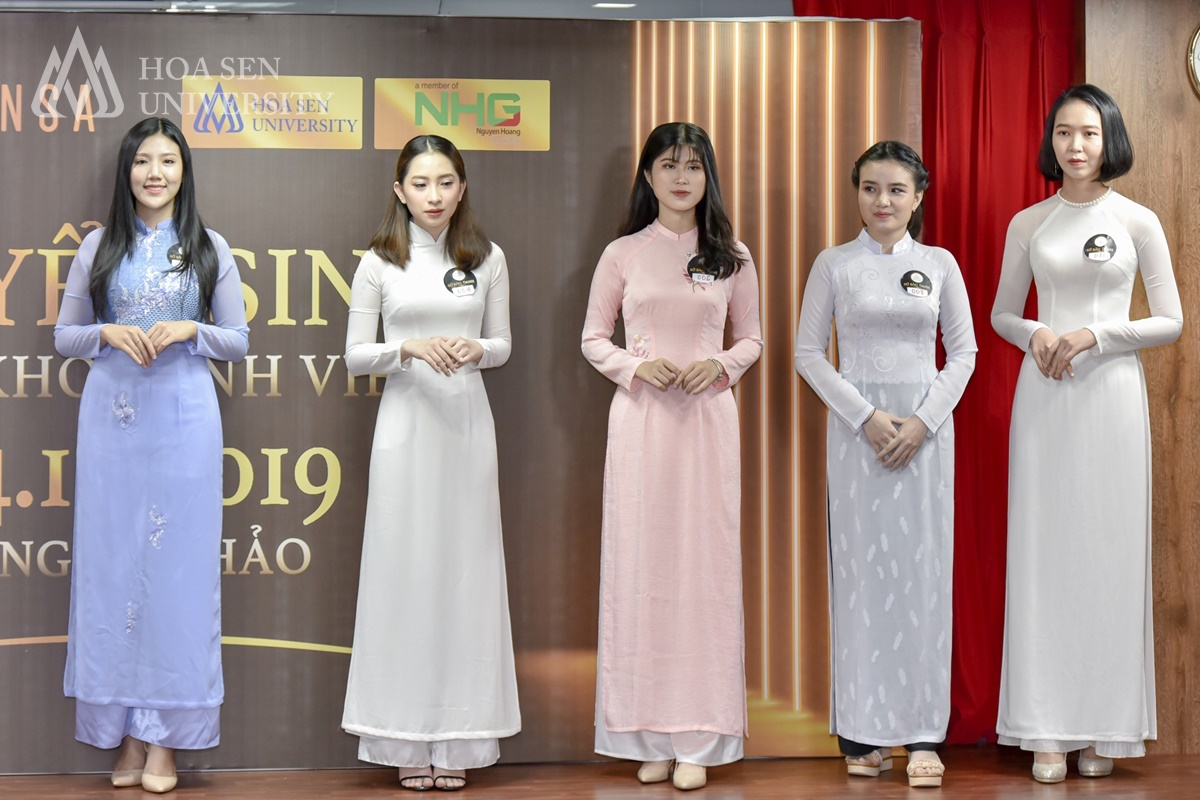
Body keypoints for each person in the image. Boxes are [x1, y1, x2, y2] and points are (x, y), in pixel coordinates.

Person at [992, 84, 1182, 784]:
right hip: (1045, 398)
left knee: (1109, 554)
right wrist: (1039, 332)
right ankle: (1047, 728)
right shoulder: (1029, 222)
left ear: (1111, 141)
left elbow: (1170, 320)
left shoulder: (1137, 220)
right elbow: (1001, 313)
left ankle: (1106, 727)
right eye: (1065, 132)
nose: (1076, 145)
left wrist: (1095, 335)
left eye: (1090, 133)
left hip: (1112, 398)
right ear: (1051, 141)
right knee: (1044, 555)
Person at [54, 117, 249, 794]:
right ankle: (127, 737)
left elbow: (238, 339)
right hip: (112, 420)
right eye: (143, 161)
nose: (155, 173)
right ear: (127, 171)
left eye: (168, 161)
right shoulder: (99, 246)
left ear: (184, 171)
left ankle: (164, 740)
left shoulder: (209, 246)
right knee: (112, 574)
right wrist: (106, 332)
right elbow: (64, 336)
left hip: (184, 418)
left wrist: (192, 329)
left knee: (178, 578)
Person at [581, 121, 762, 792]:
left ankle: (698, 738)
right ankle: (647, 736)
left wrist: (720, 366)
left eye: (693, 166)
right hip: (642, 423)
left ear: (708, 175)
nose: (681, 177)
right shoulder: (623, 253)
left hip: (708, 422)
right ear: (648, 176)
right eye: (668, 165)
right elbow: (593, 338)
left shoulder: (732, 254)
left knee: (703, 573)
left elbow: (753, 339)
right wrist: (636, 367)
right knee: (639, 569)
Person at [794, 141, 976, 789]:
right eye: (870, 188)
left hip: (927, 437)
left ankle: (923, 736)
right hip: (857, 438)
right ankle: (863, 736)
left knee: (924, 578)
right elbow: (808, 353)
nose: (882, 201)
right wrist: (866, 416)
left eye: (897, 189)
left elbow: (963, 353)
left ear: (918, 196)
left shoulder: (940, 264)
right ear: (857, 193)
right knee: (861, 581)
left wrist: (923, 421)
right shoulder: (834, 265)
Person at [341, 134, 519, 792]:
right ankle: (404, 738)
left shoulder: (488, 257)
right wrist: (409, 349)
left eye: (445, 182)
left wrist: (474, 350)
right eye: (420, 183)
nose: (434, 195)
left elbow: (502, 344)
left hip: (467, 427)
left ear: (462, 187)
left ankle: (459, 740)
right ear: (400, 191)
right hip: (405, 426)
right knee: (404, 575)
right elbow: (355, 355)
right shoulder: (377, 263)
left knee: (466, 575)